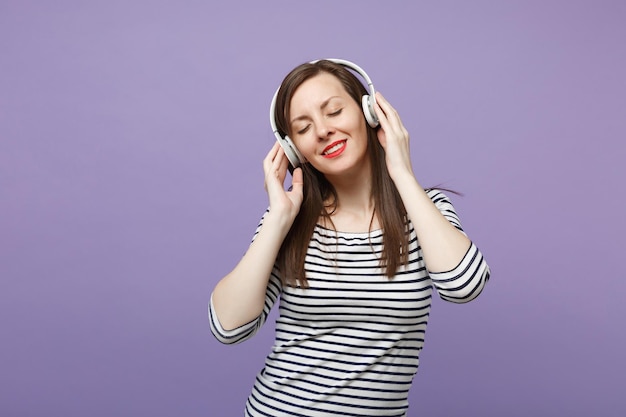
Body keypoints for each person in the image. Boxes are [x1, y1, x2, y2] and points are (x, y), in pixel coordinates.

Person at [209, 59, 490, 417]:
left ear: (369, 113)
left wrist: (402, 171)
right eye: (304, 127)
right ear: (293, 149)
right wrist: (278, 217)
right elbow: (228, 327)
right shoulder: (288, 223)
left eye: (334, 111)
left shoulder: (426, 210)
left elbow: (464, 286)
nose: (323, 131)